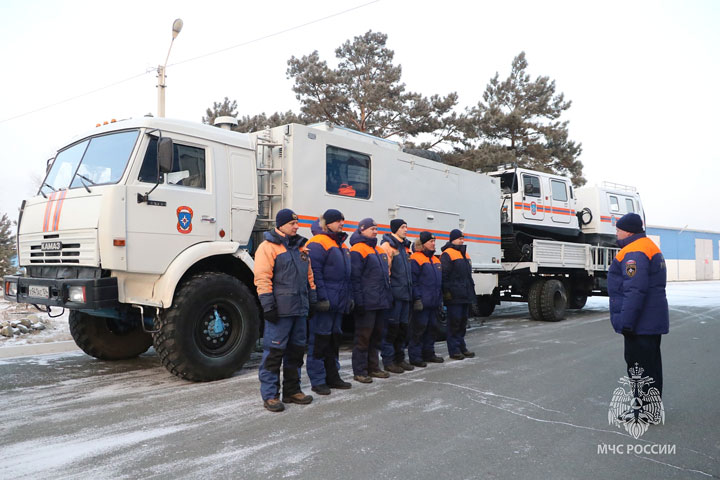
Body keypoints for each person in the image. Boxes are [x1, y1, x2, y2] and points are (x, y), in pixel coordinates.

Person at [254, 209, 317, 412]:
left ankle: (292, 391)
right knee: (273, 354)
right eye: (292, 224)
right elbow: (262, 278)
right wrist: (268, 306)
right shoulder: (267, 247)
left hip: (299, 311)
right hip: (280, 312)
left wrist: (312, 299)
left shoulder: (301, 248)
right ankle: (270, 395)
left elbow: (309, 276)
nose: (296, 227)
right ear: (281, 225)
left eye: (296, 223)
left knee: (296, 352)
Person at [608, 212, 669, 398]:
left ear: (627, 232)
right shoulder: (648, 246)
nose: (616, 234)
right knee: (650, 367)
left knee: (639, 368)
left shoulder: (634, 252)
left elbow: (634, 290)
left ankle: (643, 410)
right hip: (649, 321)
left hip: (640, 323)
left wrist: (627, 322)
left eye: (618, 230)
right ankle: (650, 407)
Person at [305, 209, 354, 395]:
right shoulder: (318, 243)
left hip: (339, 303)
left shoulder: (341, 244)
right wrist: (322, 298)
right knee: (319, 341)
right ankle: (318, 380)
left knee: (334, 340)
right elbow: (315, 273)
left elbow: (347, 277)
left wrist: (349, 298)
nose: (342, 223)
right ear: (328, 223)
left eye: (342, 220)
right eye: (338, 221)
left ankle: (333, 376)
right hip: (326, 303)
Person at [349, 218, 393, 383]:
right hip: (367, 302)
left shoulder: (379, 250)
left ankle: (373, 367)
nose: (375, 231)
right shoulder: (357, 250)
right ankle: (360, 370)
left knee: (376, 336)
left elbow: (385, 277)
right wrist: (358, 301)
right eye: (372, 229)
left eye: (376, 229)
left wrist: (388, 297)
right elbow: (355, 278)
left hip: (380, 301)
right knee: (363, 337)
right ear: (362, 229)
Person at [379, 218, 415, 374]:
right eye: (402, 227)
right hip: (395, 295)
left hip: (406, 294)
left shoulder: (406, 248)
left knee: (402, 329)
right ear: (394, 229)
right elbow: (385, 272)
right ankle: (389, 361)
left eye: (406, 227)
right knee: (391, 329)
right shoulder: (388, 247)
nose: (405, 230)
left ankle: (400, 359)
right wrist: (388, 294)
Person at [408, 231, 444, 367]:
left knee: (432, 329)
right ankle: (415, 356)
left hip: (433, 302)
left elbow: (438, 282)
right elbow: (414, 281)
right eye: (431, 242)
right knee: (418, 330)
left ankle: (429, 353)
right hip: (422, 302)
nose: (433, 244)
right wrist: (417, 299)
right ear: (423, 244)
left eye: (434, 241)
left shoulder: (435, 259)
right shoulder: (416, 259)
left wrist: (440, 300)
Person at [441, 229, 476, 360]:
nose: (462, 240)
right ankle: (454, 350)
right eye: (460, 238)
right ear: (453, 239)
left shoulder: (464, 254)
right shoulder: (447, 254)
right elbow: (444, 276)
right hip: (454, 295)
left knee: (462, 322)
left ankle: (461, 347)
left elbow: (467, 276)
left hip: (464, 294)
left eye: (463, 238)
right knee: (454, 323)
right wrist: (447, 293)